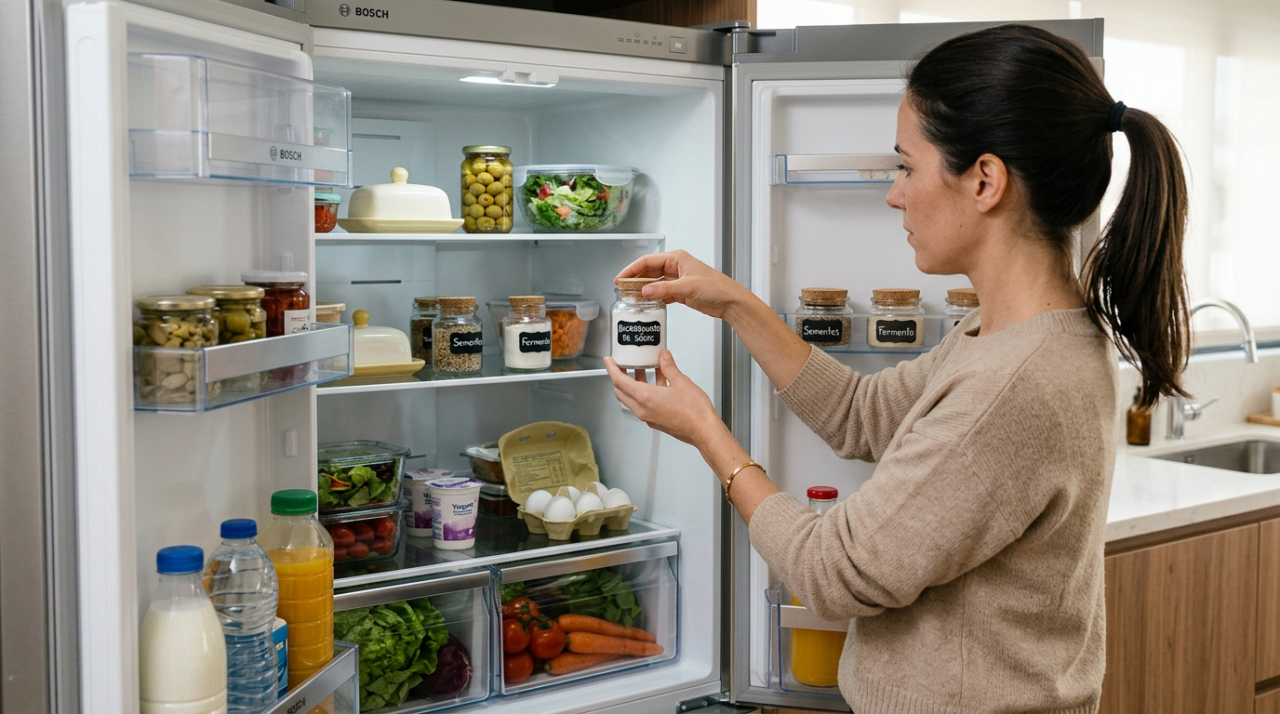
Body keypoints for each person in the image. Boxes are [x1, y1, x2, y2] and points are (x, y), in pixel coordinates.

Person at [603, 23, 1190, 712]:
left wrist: (708, 432)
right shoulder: (1010, 332)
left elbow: (833, 571)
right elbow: (863, 416)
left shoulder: (1017, 383)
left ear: (985, 180)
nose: (894, 193)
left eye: (907, 166)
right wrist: (736, 303)